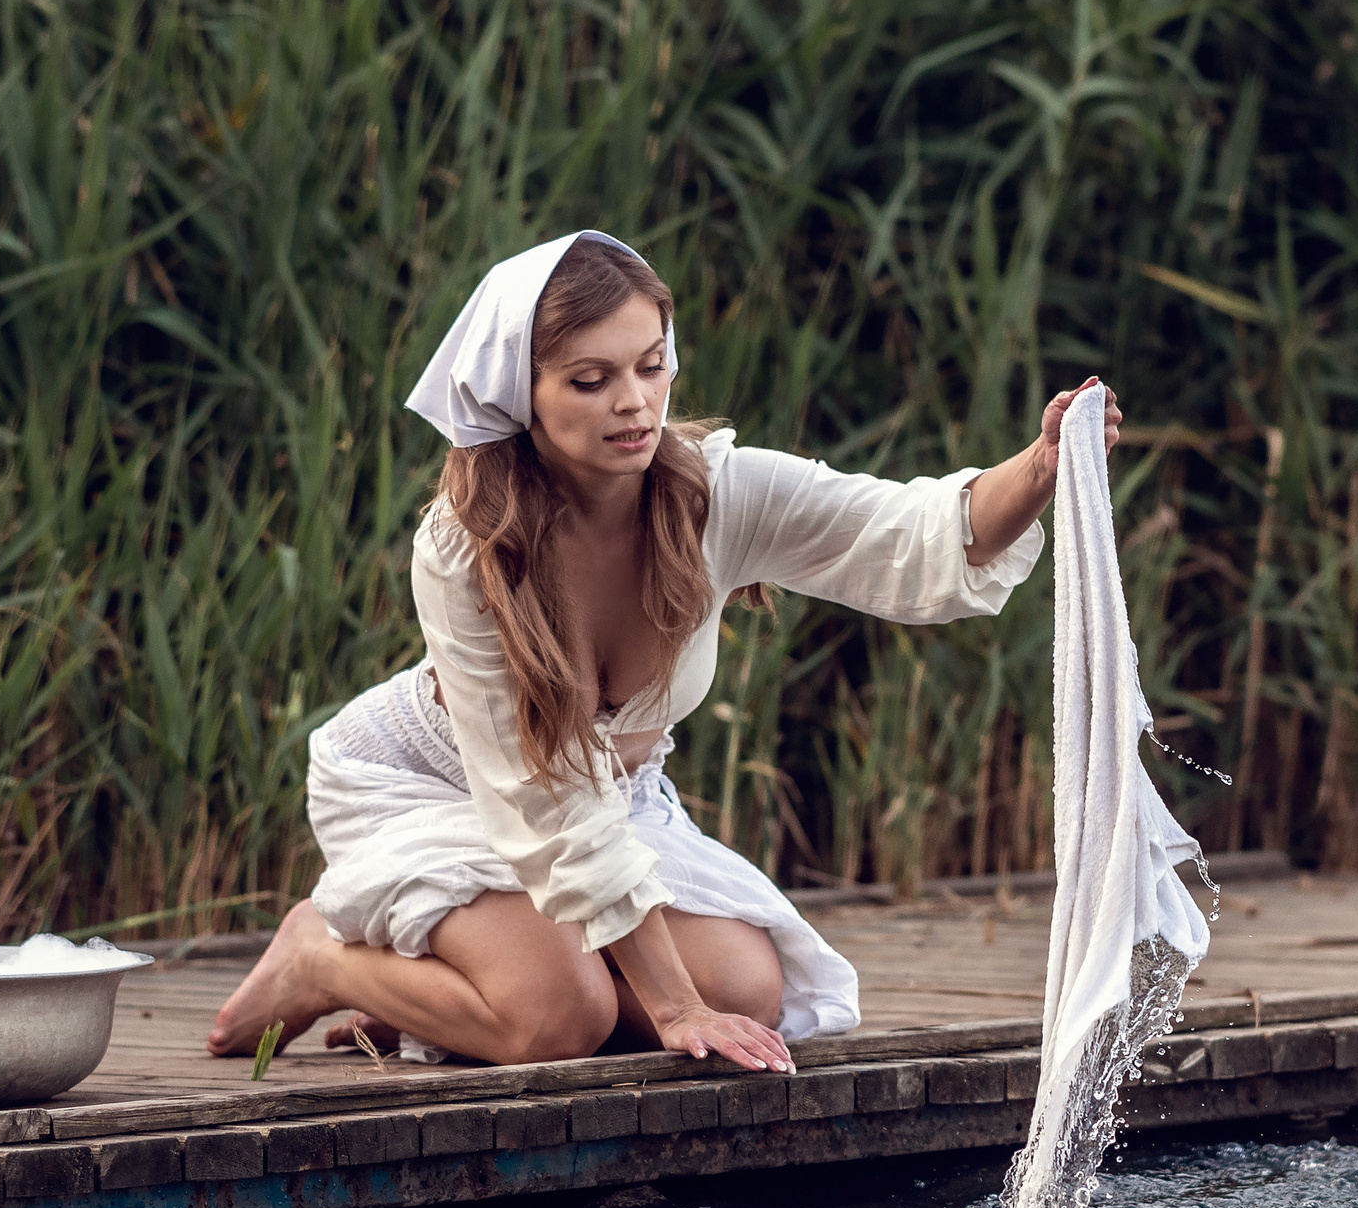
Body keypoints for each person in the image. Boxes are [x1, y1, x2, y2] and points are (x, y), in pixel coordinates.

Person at [208, 230, 1117, 1073]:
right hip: (435, 784)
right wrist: (674, 1010)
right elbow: (547, 802)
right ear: (519, 393)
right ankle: (321, 955)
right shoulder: (466, 548)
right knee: (556, 1020)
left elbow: (914, 533)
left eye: (651, 366)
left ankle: (439, 984)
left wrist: (1037, 469)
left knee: (745, 989)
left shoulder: (718, 493)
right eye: (590, 379)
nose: (634, 402)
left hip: (613, 800)